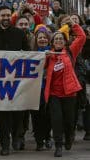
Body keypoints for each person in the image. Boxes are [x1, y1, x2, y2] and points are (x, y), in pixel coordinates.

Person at [0, 6, 29, 156]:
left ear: (11, 16)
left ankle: (17, 135)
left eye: (8, 15)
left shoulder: (19, 34)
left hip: (16, 81)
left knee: (18, 113)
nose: (5, 17)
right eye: (3, 15)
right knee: (2, 115)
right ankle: (5, 144)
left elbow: (28, 53)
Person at [44, 17, 86, 157]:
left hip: (69, 93)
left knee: (69, 121)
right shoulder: (48, 55)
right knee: (57, 120)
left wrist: (73, 24)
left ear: (65, 41)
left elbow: (82, 37)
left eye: (61, 39)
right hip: (54, 94)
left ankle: (69, 137)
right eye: (56, 39)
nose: (58, 41)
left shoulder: (70, 51)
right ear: (52, 42)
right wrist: (44, 57)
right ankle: (58, 145)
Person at [30, 26, 52, 151]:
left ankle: (47, 137)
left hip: (49, 90)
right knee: (36, 117)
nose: (42, 39)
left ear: (48, 39)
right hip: (35, 90)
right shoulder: (31, 54)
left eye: (44, 37)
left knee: (48, 116)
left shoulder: (53, 52)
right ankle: (39, 141)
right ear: (36, 40)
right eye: (40, 37)